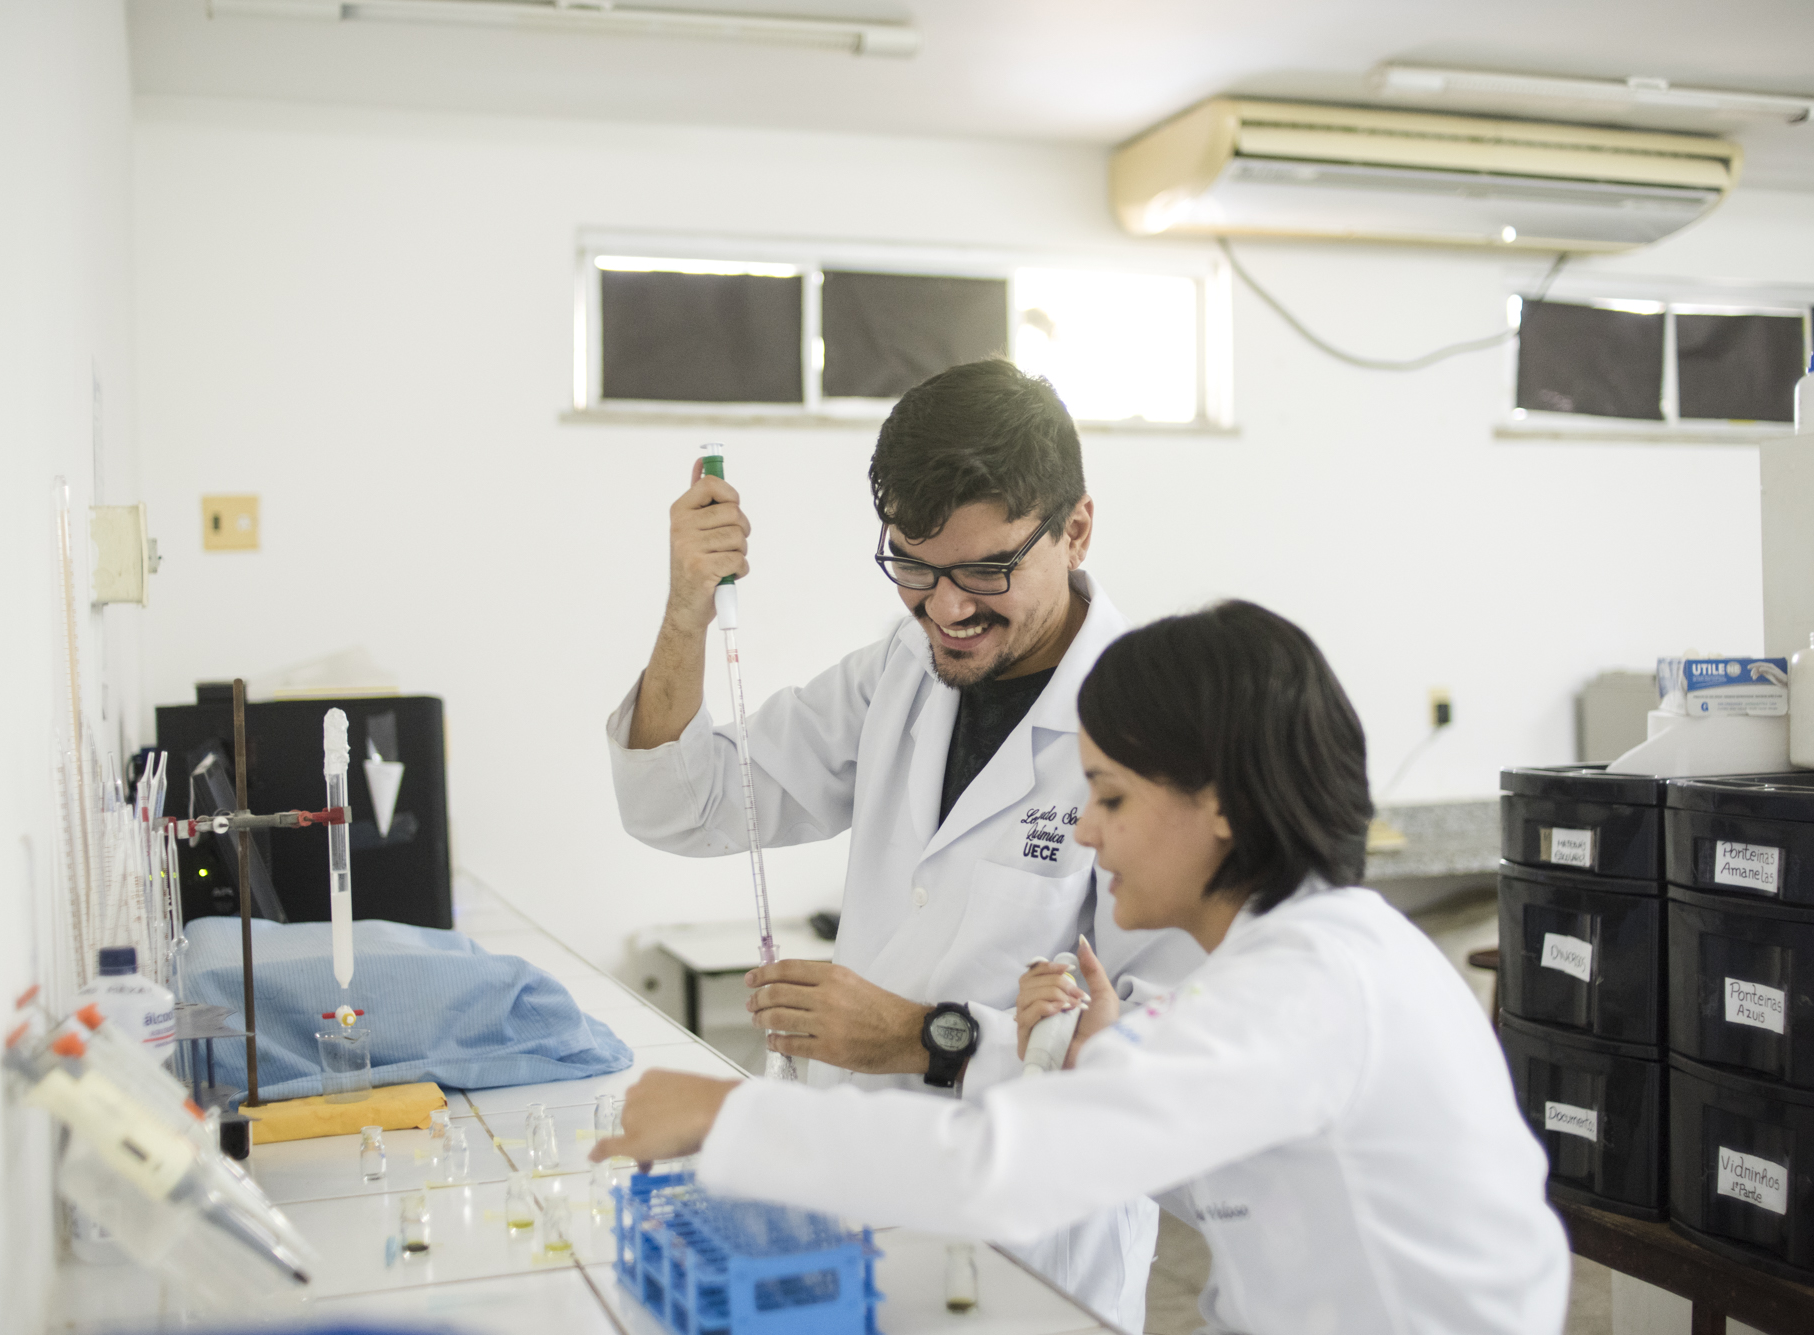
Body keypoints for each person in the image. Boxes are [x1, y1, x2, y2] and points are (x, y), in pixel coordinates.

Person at [597, 601, 1572, 1335]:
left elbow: (1001, 1169)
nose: (1087, 833)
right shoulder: (1292, 963)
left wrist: (731, 1115)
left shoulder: (1309, 990)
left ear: (1219, 804)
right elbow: (1212, 1162)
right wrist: (1089, 1058)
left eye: (1108, 796)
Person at [606, 358, 1203, 1331]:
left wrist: (923, 1036)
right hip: (850, 1220)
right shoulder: (903, 667)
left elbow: (1158, 1060)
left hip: (1028, 1257)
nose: (946, 610)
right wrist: (687, 612)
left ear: (1076, 530)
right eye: (913, 567)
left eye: (986, 571)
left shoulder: (1155, 732)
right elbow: (686, 802)